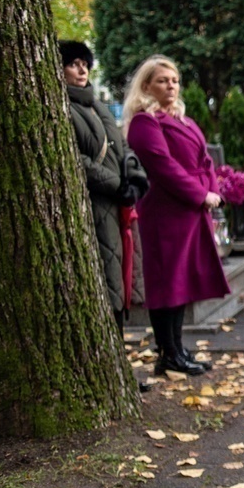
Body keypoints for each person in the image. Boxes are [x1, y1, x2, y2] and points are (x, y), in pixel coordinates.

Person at [123, 55, 228, 377]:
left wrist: (210, 192)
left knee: (181, 283)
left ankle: (178, 349)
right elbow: (163, 167)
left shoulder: (184, 120)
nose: (171, 85)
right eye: (162, 80)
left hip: (192, 211)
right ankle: (167, 352)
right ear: (146, 86)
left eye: (174, 80)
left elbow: (205, 161)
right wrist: (200, 195)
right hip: (165, 212)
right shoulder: (145, 122)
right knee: (166, 283)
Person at [62, 41, 151, 390]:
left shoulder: (97, 105)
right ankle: (114, 373)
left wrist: (135, 179)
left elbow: (123, 147)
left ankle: (118, 369)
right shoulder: (63, 108)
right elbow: (74, 158)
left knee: (120, 283)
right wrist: (116, 185)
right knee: (108, 284)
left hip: (117, 208)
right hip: (96, 207)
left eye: (85, 63)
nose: (82, 70)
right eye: (73, 63)